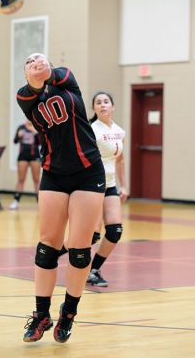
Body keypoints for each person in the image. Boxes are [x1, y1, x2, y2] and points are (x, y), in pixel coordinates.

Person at [16, 53, 105, 343]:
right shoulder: (24, 97)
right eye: (29, 61)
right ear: (25, 71)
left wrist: (45, 67)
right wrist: (34, 75)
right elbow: (31, 88)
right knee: (47, 246)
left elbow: (52, 73)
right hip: (54, 172)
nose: (36, 61)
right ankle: (42, 314)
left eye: (39, 57)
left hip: (88, 171)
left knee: (80, 249)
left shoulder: (67, 80)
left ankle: (68, 313)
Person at [58, 91, 128, 287]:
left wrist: (124, 185)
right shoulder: (90, 130)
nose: (103, 105)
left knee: (115, 231)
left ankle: (93, 270)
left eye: (106, 101)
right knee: (91, 234)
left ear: (113, 106)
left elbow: (120, 160)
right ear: (94, 108)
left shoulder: (119, 131)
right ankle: (53, 254)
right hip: (92, 186)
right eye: (98, 102)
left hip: (110, 185)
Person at [10, 120, 41, 209]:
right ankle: (16, 201)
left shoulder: (36, 127)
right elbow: (15, 141)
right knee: (21, 179)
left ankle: (40, 202)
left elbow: (42, 142)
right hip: (23, 156)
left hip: (34, 156)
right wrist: (18, 135)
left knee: (36, 180)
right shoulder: (21, 127)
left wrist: (36, 133)